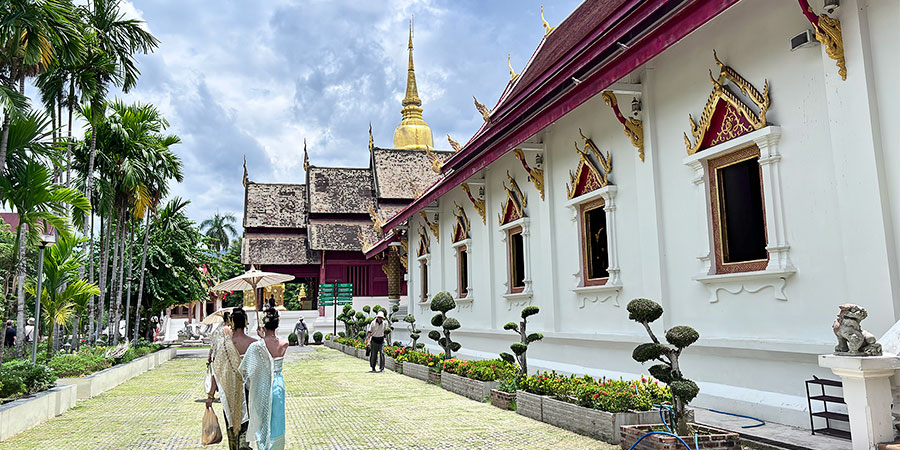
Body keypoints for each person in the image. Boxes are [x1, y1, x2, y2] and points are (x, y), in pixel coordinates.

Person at [207, 308, 256, 450]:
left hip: (229, 392)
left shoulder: (224, 345)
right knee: (245, 429)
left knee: (231, 429)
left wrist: (210, 395)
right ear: (246, 322)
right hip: (248, 392)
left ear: (232, 322)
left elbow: (218, 372)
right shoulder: (254, 344)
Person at [240, 307, 287, 450]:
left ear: (263, 325)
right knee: (277, 421)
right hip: (278, 385)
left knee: (262, 420)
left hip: (263, 386)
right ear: (277, 324)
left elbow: (245, 370)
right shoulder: (284, 343)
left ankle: (263, 446)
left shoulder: (256, 346)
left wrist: (261, 339)